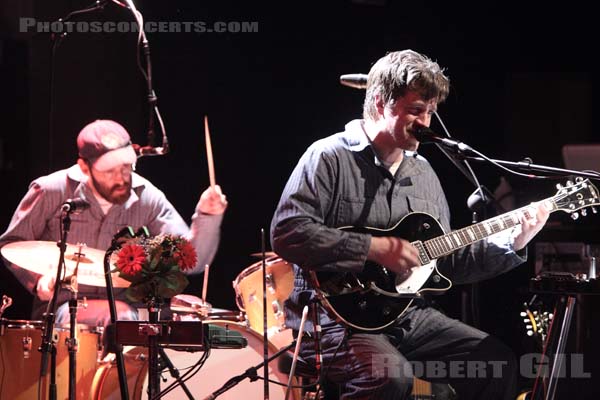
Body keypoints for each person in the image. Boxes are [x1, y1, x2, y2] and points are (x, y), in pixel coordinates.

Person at [270, 50, 550, 400]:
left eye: (431, 112)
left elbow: (445, 262)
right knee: (389, 377)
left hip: (408, 317)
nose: (425, 123)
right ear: (379, 101)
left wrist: (513, 243)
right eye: (416, 110)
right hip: (331, 322)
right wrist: (374, 248)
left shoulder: (424, 174)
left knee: (496, 362)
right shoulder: (328, 157)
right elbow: (287, 233)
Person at [0, 119, 228, 326]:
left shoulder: (147, 197)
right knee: (117, 317)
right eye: (109, 171)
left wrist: (207, 216)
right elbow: (12, 242)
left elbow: (189, 261)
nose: (120, 178)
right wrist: (39, 280)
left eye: (126, 167)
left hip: (127, 312)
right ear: (84, 167)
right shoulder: (51, 190)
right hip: (62, 310)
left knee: (180, 320)